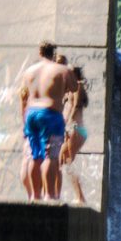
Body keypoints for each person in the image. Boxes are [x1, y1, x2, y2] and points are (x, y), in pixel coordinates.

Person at [20, 40, 76, 200]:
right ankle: (49, 196)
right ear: (53, 53)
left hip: (31, 114)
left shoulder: (29, 71)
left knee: (34, 156)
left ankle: (34, 196)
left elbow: (25, 92)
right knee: (50, 156)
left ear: (40, 53)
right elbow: (74, 87)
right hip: (50, 114)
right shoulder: (60, 69)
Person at [60, 67, 89, 204]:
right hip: (76, 128)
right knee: (63, 160)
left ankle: (80, 197)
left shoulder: (78, 86)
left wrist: (68, 124)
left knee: (68, 161)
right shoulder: (75, 87)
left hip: (76, 128)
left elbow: (76, 106)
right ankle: (78, 195)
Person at [17, 85, 33, 200]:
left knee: (26, 162)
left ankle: (30, 195)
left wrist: (24, 128)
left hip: (29, 132)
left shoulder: (24, 93)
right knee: (31, 163)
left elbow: (23, 115)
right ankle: (33, 195)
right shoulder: (39, 95)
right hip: (36, 132)